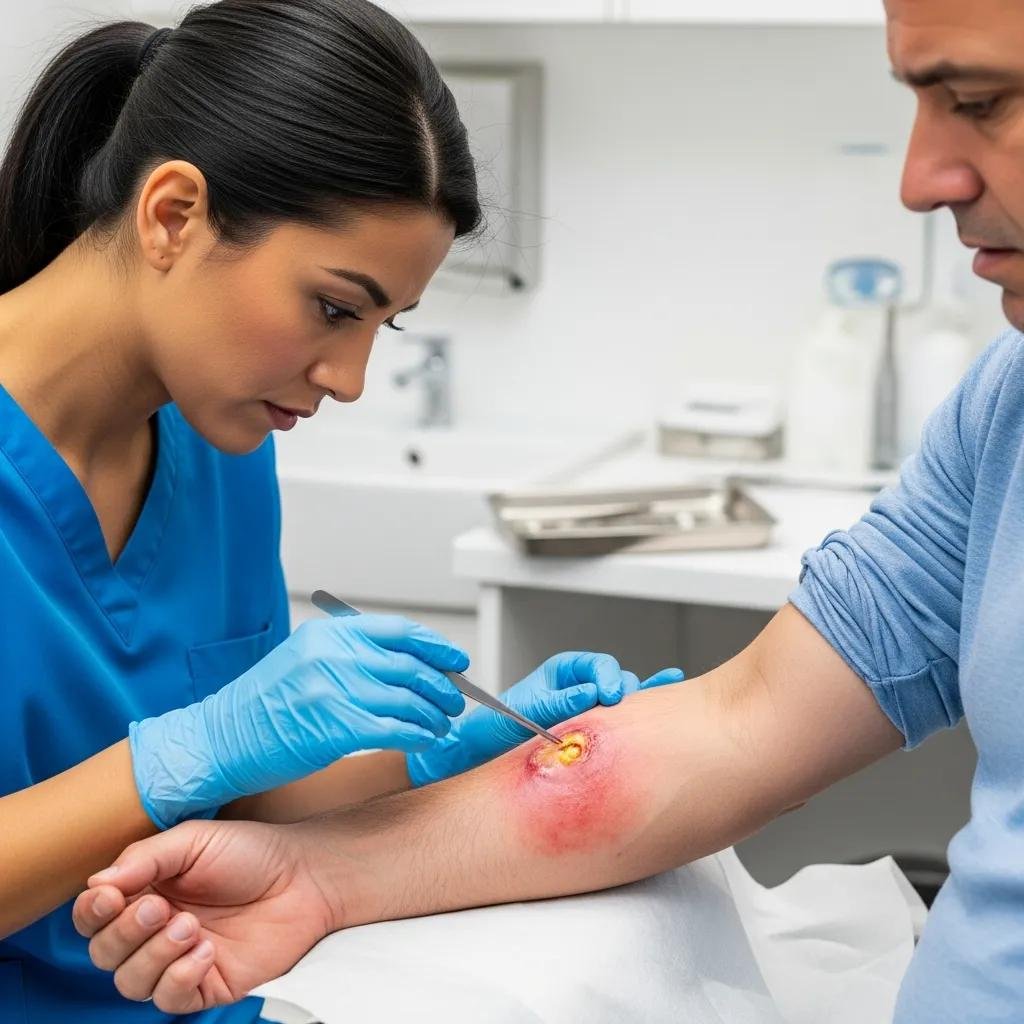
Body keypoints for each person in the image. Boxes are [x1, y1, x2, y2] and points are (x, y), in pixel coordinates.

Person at [74, 0, 1024, 1021]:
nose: (922, 181)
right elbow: (740, 723)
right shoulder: (1000, 417)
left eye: (978, 101)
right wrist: (316, 869)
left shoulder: (220, 449)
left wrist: (221, 770)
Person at [0, 2, 685, 1021]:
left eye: (382, 324)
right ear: (173, 215)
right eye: (332, 307)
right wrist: (184, 747)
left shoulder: (217, 441)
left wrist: (444, 750)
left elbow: (239, 798)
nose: (352, 379)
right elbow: (199, 757)